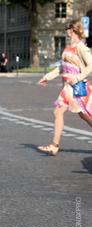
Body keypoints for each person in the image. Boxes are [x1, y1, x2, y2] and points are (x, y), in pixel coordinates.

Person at [37, 19, 92, 156]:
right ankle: (54, 146)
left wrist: (77, 78)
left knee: (85, 115)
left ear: (72, 29)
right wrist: (47, 77)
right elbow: (62, 67)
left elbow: (91, 66)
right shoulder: (68, 47)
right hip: (68, 86)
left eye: (67, 28)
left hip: (78, 85)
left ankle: (54, 145)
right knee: (59, 112)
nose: (65, 30)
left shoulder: (81, 47)